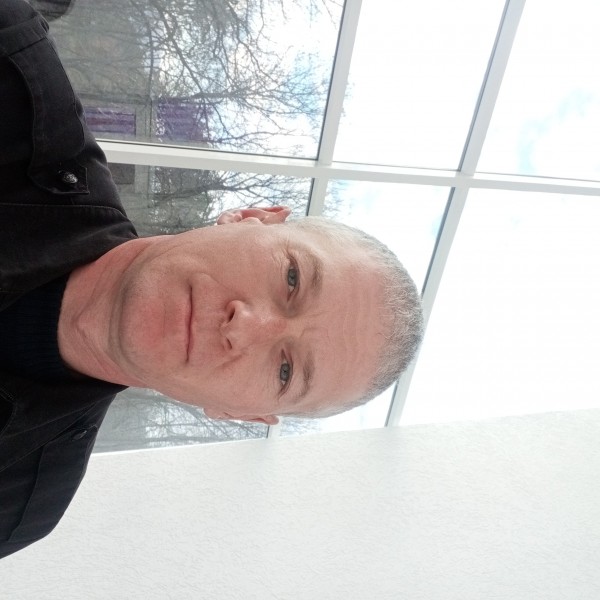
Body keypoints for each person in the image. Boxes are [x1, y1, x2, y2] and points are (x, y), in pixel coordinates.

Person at [0, 0, 423, 559]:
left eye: (285, 369)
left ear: (238, 414)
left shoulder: (16, 504)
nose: (245, 325)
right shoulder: (13, 82)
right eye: (291, 278)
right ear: (249, 216)